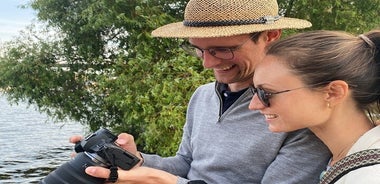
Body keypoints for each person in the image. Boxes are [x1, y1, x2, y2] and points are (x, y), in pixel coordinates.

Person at [73, 0, 331, 183]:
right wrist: (137, 160)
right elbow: (187, 163)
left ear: (270, 35)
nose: (208, 63)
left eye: (222, 49)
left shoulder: (299, 111)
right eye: (199, 49)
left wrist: (162, 181)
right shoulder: (203, 96)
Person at [248, 29, 380, 183]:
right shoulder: (346, 158)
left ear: (333, 92)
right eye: (255, 91)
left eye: (267, 93)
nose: (253, 105)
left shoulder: (368, 176)